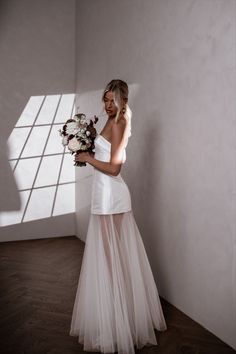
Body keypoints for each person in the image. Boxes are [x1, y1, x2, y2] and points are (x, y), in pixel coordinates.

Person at [69, 79, 167, 354]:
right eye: (105, 99)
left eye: (112, 100)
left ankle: (121, 324)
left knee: (115, 262)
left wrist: (87, 157)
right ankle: (113, 319)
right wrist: (83, 144)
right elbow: (101, 154)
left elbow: (113, 169)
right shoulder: (110, 120)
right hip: (102, 196)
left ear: (123, 100)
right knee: (109, 260)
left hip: (112, 196)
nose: (107, 105)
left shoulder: (121, 122)